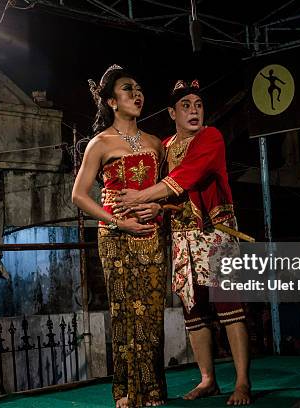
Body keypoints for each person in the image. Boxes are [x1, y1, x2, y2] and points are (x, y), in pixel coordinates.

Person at [114, 80, 251, 406]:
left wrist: (143, 195)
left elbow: (187, 177)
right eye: (186, 105)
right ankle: (208, 380)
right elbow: (171, 196)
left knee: (230, 306)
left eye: (198, 105)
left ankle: (243, 382)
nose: (194, 111)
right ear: (172, 112)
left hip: (215, 232)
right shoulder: (165, 145)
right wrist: (155, 205)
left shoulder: (210, 137)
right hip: (181, 235)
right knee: (193, 309)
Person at [71, 64, 167, 408]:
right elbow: (79, 196)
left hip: (152, 233)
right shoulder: (100, 143)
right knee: (124, 309)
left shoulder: (157, 143)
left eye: (139, 88)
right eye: (128, 89)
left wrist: (158, 209)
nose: (137, 94)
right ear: (112, 101)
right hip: (116, 236)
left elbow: (170, 193)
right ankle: (126, 391)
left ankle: (153, 390)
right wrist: (117, 222)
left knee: (153, 311)